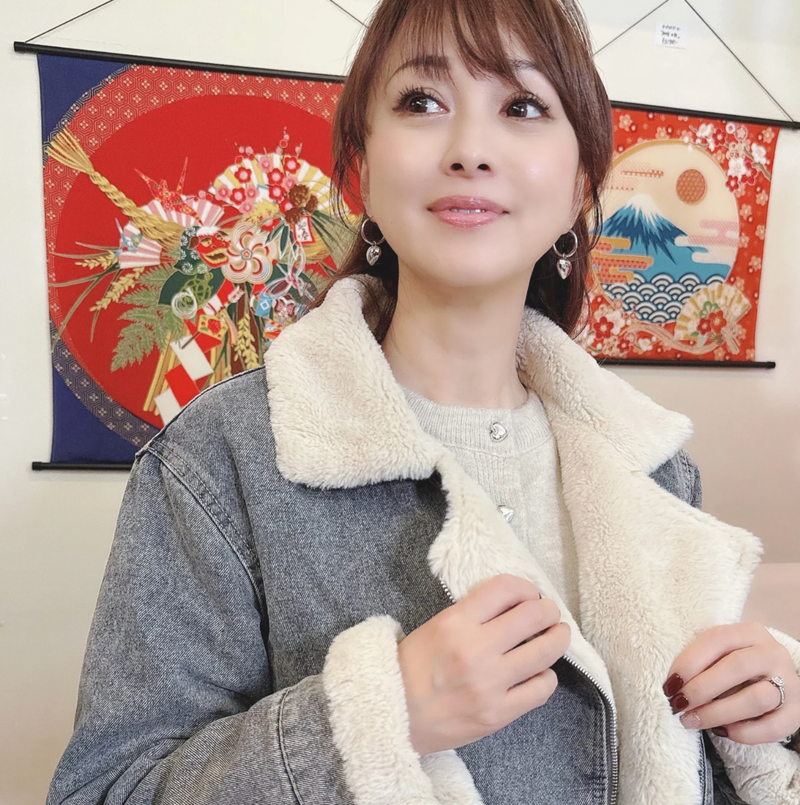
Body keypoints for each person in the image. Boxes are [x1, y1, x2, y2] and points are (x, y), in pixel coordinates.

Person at [48, 0, 800, 803]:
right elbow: (108, 790)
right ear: (362, 170)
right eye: (421, 101)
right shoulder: (220, 461)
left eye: (522, 106)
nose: (470, 149)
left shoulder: (655, 472)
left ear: (580, 183)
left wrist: (775, 720)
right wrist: (379, 716)